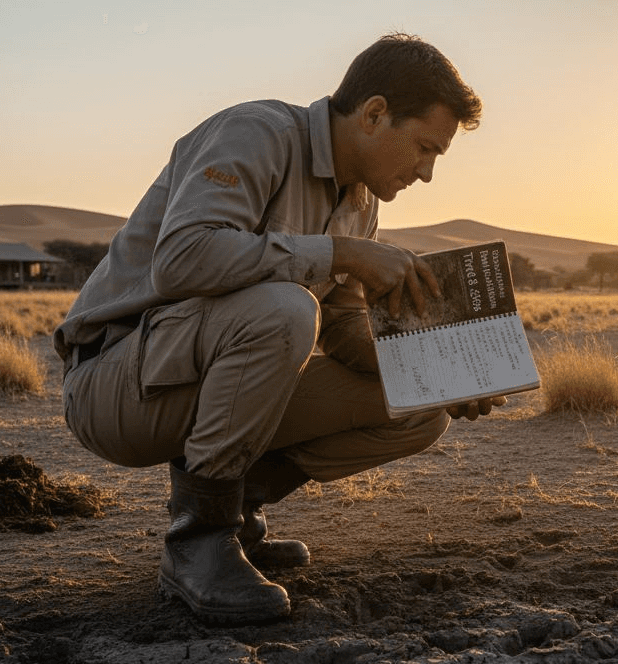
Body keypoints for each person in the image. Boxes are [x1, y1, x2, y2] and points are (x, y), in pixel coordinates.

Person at [53, 33, 500, 624]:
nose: (427, 173)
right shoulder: (257, 133)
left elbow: (340, 330)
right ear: (373, 114)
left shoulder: (360, 202)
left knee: (417, 408)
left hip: (205, 377)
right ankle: (197, 545)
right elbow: (183, 257)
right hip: (116, 384)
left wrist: (438, 373)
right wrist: (342, 254)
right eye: (423, 148)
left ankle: (234, 517)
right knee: (286, 309)